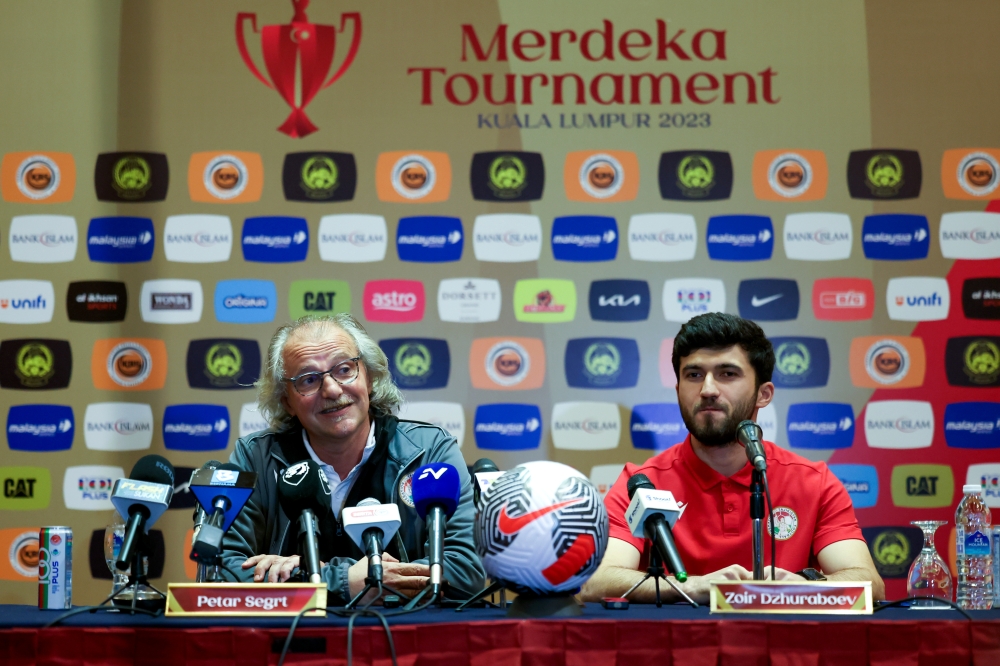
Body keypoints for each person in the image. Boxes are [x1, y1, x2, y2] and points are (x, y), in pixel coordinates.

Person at [581, 312, 884, 604]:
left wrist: (804, 587)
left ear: (764, 394)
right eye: (694, 375)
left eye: (727, 374)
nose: (707, 389)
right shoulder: (642, 483)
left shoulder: (813, 481)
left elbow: (870, 584)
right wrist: (692, 586)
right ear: (678, 390)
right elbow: (595, 582)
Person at [222, 314, 485, 604]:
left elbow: (465, 570)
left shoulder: (428, 451)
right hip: (297, 634)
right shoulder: (257, 459)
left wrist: (314, 579)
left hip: (405, 631)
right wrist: (344, 581)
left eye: (345, 369)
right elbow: (220, 573)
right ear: (287, 402)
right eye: (308, 380)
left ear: (369, 378)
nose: (332, 389)